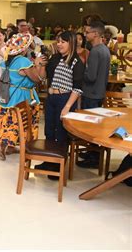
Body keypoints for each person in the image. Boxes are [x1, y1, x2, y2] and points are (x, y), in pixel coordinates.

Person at [0, 33, 45, 160]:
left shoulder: (8, 59)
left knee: (6, 119)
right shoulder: (23, 61)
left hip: (5, 92)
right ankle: (7, 146)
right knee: (18, 121)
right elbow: (36, 78)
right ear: (24, 48)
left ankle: (8, 146)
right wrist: (38, 64)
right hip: (21, 95)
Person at [35, 31, 85, 179]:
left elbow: (77, 88)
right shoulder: (55, 58)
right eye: (58, 41)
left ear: (71, 43)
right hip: (51, 97)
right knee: (49, 130)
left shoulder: (76, 62)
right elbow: (43, 78)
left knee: (61, 133)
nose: (59, 44)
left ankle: (59, 165)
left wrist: (67, 106)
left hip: (65, 99)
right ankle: (48, 160)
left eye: (63, 41)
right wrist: (41, 65)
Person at [78, 21, 111, 168]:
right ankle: (92, 153)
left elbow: (90, 76)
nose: (86, 35)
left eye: (88, 32)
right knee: (96, 125)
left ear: (96, 34)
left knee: (91, 127)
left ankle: (93, 157)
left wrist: (79, 72)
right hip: (99, 92)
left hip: (91, 93)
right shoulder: (104, 49)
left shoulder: (95, 51)